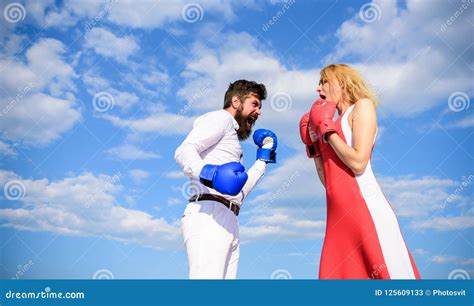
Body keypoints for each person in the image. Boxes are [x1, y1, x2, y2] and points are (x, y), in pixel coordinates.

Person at [299, 64, 421, 279]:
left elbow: (358, 162)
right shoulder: (329, 122)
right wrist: (314, 147)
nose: (318, 90)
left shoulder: (362, 107)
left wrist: (326, 130)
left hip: (366, 211)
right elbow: (328, 182)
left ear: (342, 82)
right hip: (337, 219)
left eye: (323, 82)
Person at [175, 80, 277, 279]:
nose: (259, 112)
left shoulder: (231, 140)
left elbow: (238, 191)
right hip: (209, 213)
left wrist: (263, 159)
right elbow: (184, 150)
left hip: (229, 217)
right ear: (236, 102)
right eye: (255, 104)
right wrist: (209, 173)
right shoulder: (220, 118)